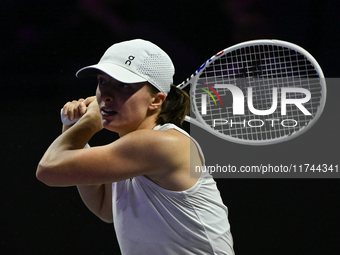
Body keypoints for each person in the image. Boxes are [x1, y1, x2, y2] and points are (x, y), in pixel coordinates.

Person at [36, 39, 235, 255]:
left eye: (122, 85)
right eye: (103, 82)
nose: (107, 95)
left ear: (156, 100)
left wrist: (88, 123)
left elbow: (49, 170)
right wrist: (72, 127)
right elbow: (105, 207)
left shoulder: (160, 144)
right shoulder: (135, 149)